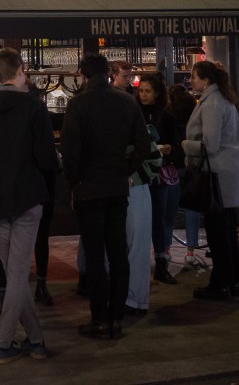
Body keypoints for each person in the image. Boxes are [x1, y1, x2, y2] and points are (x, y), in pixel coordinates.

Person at [0, 48, 58, 363]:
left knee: (14, 270)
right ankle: (3, 343)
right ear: (19, 70)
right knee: (17, 274)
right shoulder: (33, 108)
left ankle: (35, 339)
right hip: (27, 198)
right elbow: (46, 158)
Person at [62, 53, 152, 340]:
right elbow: (143, 144)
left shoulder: (78, 104)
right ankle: (116, 317)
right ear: (108, 73)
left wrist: (74, 182)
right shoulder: (126, 102)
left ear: (83, 75)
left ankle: (100, 318)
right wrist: (125, 169)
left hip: (89, 188)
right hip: (116, 186)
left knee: (96, 253)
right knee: (118, 252)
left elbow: (71, 151)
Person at [182, 61, 239, 300]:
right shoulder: (223, 100)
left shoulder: (212, 104)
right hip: (228, 175)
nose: (191, 80)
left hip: (217, 177)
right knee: (227, 231)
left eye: (194, 77)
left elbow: (209, 144)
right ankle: (231, 282)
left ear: (206, 80)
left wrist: (184, 145)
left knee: (218, 232)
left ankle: (221, 284)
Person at [137, 73, 179, 285]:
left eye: (147, 91)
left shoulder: (166, 115)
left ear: (157, 93)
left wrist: (168, 150)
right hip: (138, 174)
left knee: (159, 219)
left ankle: (161, 264)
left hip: (159, 174)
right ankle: (141, 263)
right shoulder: (134, 111)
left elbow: (175, 145)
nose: (143, 95)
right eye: (141, 91)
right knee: (139, 220)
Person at [167, 84, 201, 264]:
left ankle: (165, 250)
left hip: (172, 166)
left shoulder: (168, 114)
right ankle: (190, 252)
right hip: (190, 165)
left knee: (169, 210)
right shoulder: (193, 112)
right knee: (191, 209)